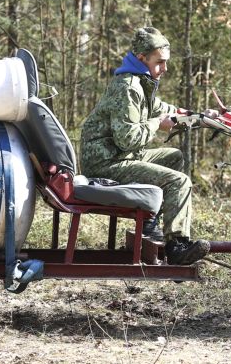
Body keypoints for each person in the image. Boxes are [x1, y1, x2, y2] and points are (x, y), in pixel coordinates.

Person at [80, 26, 212, 265]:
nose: (165, 68)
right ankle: (177, 246)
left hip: (120, 156)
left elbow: (164, 109)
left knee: (173, 157)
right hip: (106, 163)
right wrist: (156, 124)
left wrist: (199, 116)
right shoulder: (128, 87)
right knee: (178, 181)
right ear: (142, 58)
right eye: (160, 62)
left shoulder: (142, 82)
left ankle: (150, 224)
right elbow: (127, 139)